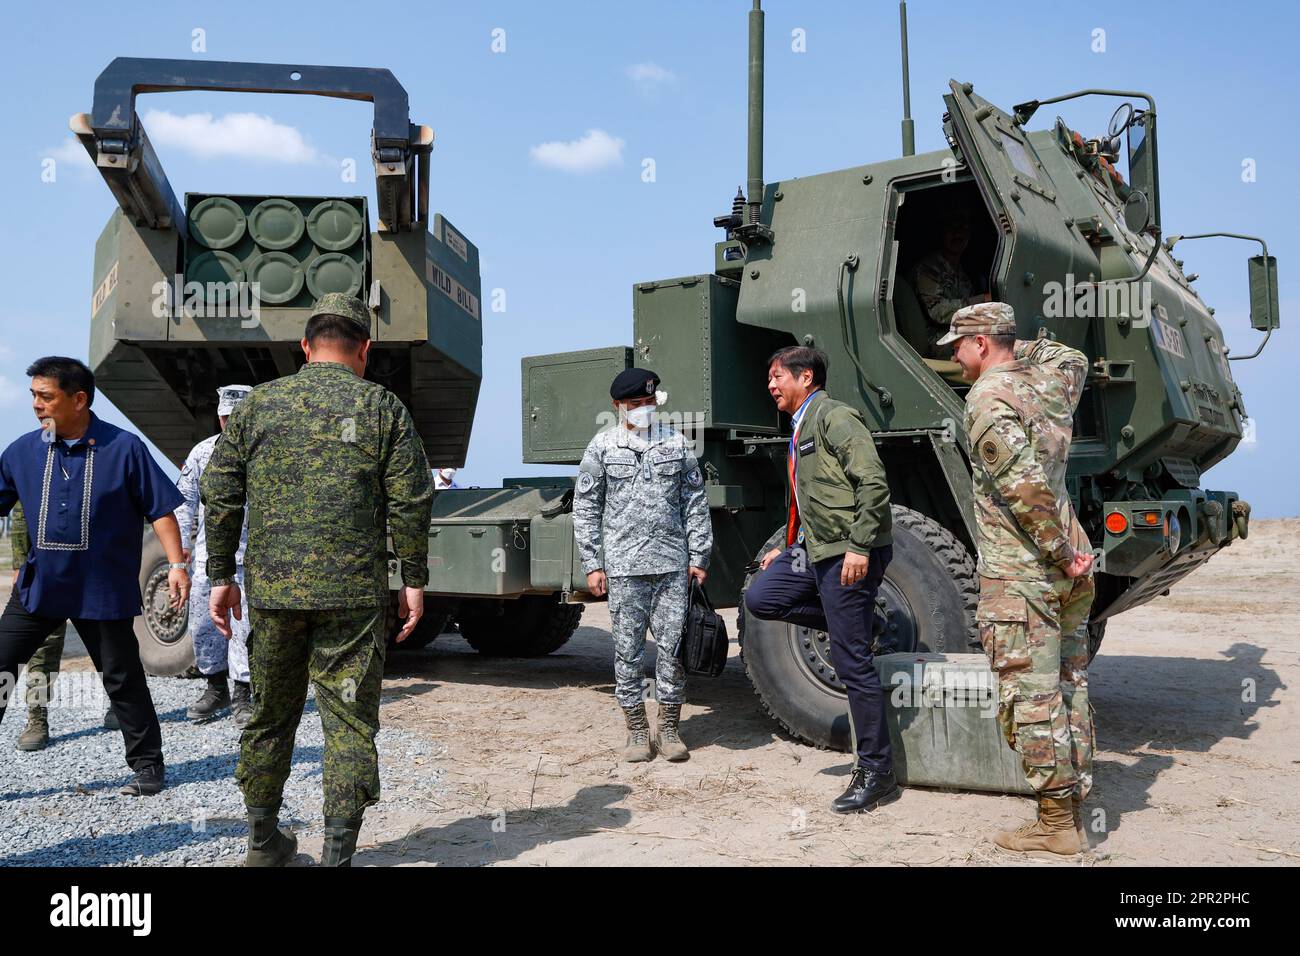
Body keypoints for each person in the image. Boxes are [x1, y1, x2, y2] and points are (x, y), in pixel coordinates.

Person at [202, 293, 433, 867]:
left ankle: (262, 842)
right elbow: (411, 499)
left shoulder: (258, 406)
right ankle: (337, 855)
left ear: (305, 347)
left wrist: (220, 574)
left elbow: (221, 494)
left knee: (270, 716)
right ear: (365, 351)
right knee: (349, 721)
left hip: (274, 594)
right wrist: (414, 577)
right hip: (352, 598)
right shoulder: (382, 408)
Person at [940, 301, 1096, 856]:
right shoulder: (1054, 383)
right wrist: (1016, 343)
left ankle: (1055, 824)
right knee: (1069, 688)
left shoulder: (986, 399)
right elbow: (1072, 355)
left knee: (1030, 696)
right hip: (1069, 567)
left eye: (959, 345)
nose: (955, 358)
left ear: (981, 344)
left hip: (1026, 572)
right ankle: (1072, 806)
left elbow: (1023, 489)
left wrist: (1058, 551)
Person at [0, 356, 188, 796]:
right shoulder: (23, 451)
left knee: (121, 678)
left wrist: (177, 566)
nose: (36, 405)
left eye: (46, 396)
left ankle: (147, 766)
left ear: (79, 399)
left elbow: (160, 510)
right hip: (39, 588)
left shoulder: (124, 448)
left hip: (101, 591)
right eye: (33, 396)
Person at [743, 346, 897, 813]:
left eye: (777, 377)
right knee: (761, 598)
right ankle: (857, 622)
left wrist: (859, 546)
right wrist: (788, 544)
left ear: (805, 377)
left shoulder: (834, 416)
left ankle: (876, 769)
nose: (771, 386)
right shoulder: (800, 425)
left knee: (851, 663)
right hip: (813, 549)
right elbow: (812, 495)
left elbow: (872, 482)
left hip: (846, 550)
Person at [573, 368, 711, 763]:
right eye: (636, 405)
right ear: (618, 406)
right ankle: (636, 730)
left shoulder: (679, 445)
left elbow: (695, 504)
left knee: (672, 650)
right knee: (628, 651)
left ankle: (668, 728)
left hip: (672, 566)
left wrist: (699, 556)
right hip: (624, 567)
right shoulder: (602, 447)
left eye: (649, 403)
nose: (644, 410)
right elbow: (585, 508)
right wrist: (593, 563)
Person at [177, 385, 254, 727]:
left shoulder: (268, 452)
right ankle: (214, 686)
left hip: (253, 557)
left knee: (244, 626)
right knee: (204, 623)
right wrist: (180, 549)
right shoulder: (202, 453)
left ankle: (243, 692)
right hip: (210, 558)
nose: (230, 424)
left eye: (237, 418)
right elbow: (184, 502)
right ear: (219, 417)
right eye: (225, 418)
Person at [10, 502, 69, 751]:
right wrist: (20, 563)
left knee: (108, 640)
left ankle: (117, 704)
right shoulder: (37, 463)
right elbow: (23, 511)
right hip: (47, 566)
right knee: (46, 642)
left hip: (94, 565)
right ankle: (37, 716)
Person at [910, 207, 989, 356]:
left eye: (962, 228)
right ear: (941, 233)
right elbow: (938, 311)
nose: (957, 234)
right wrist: (982, 301)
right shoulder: (927, 269)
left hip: (957, 336)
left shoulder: (964, 275)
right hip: (936, 343)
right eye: (951, 228)